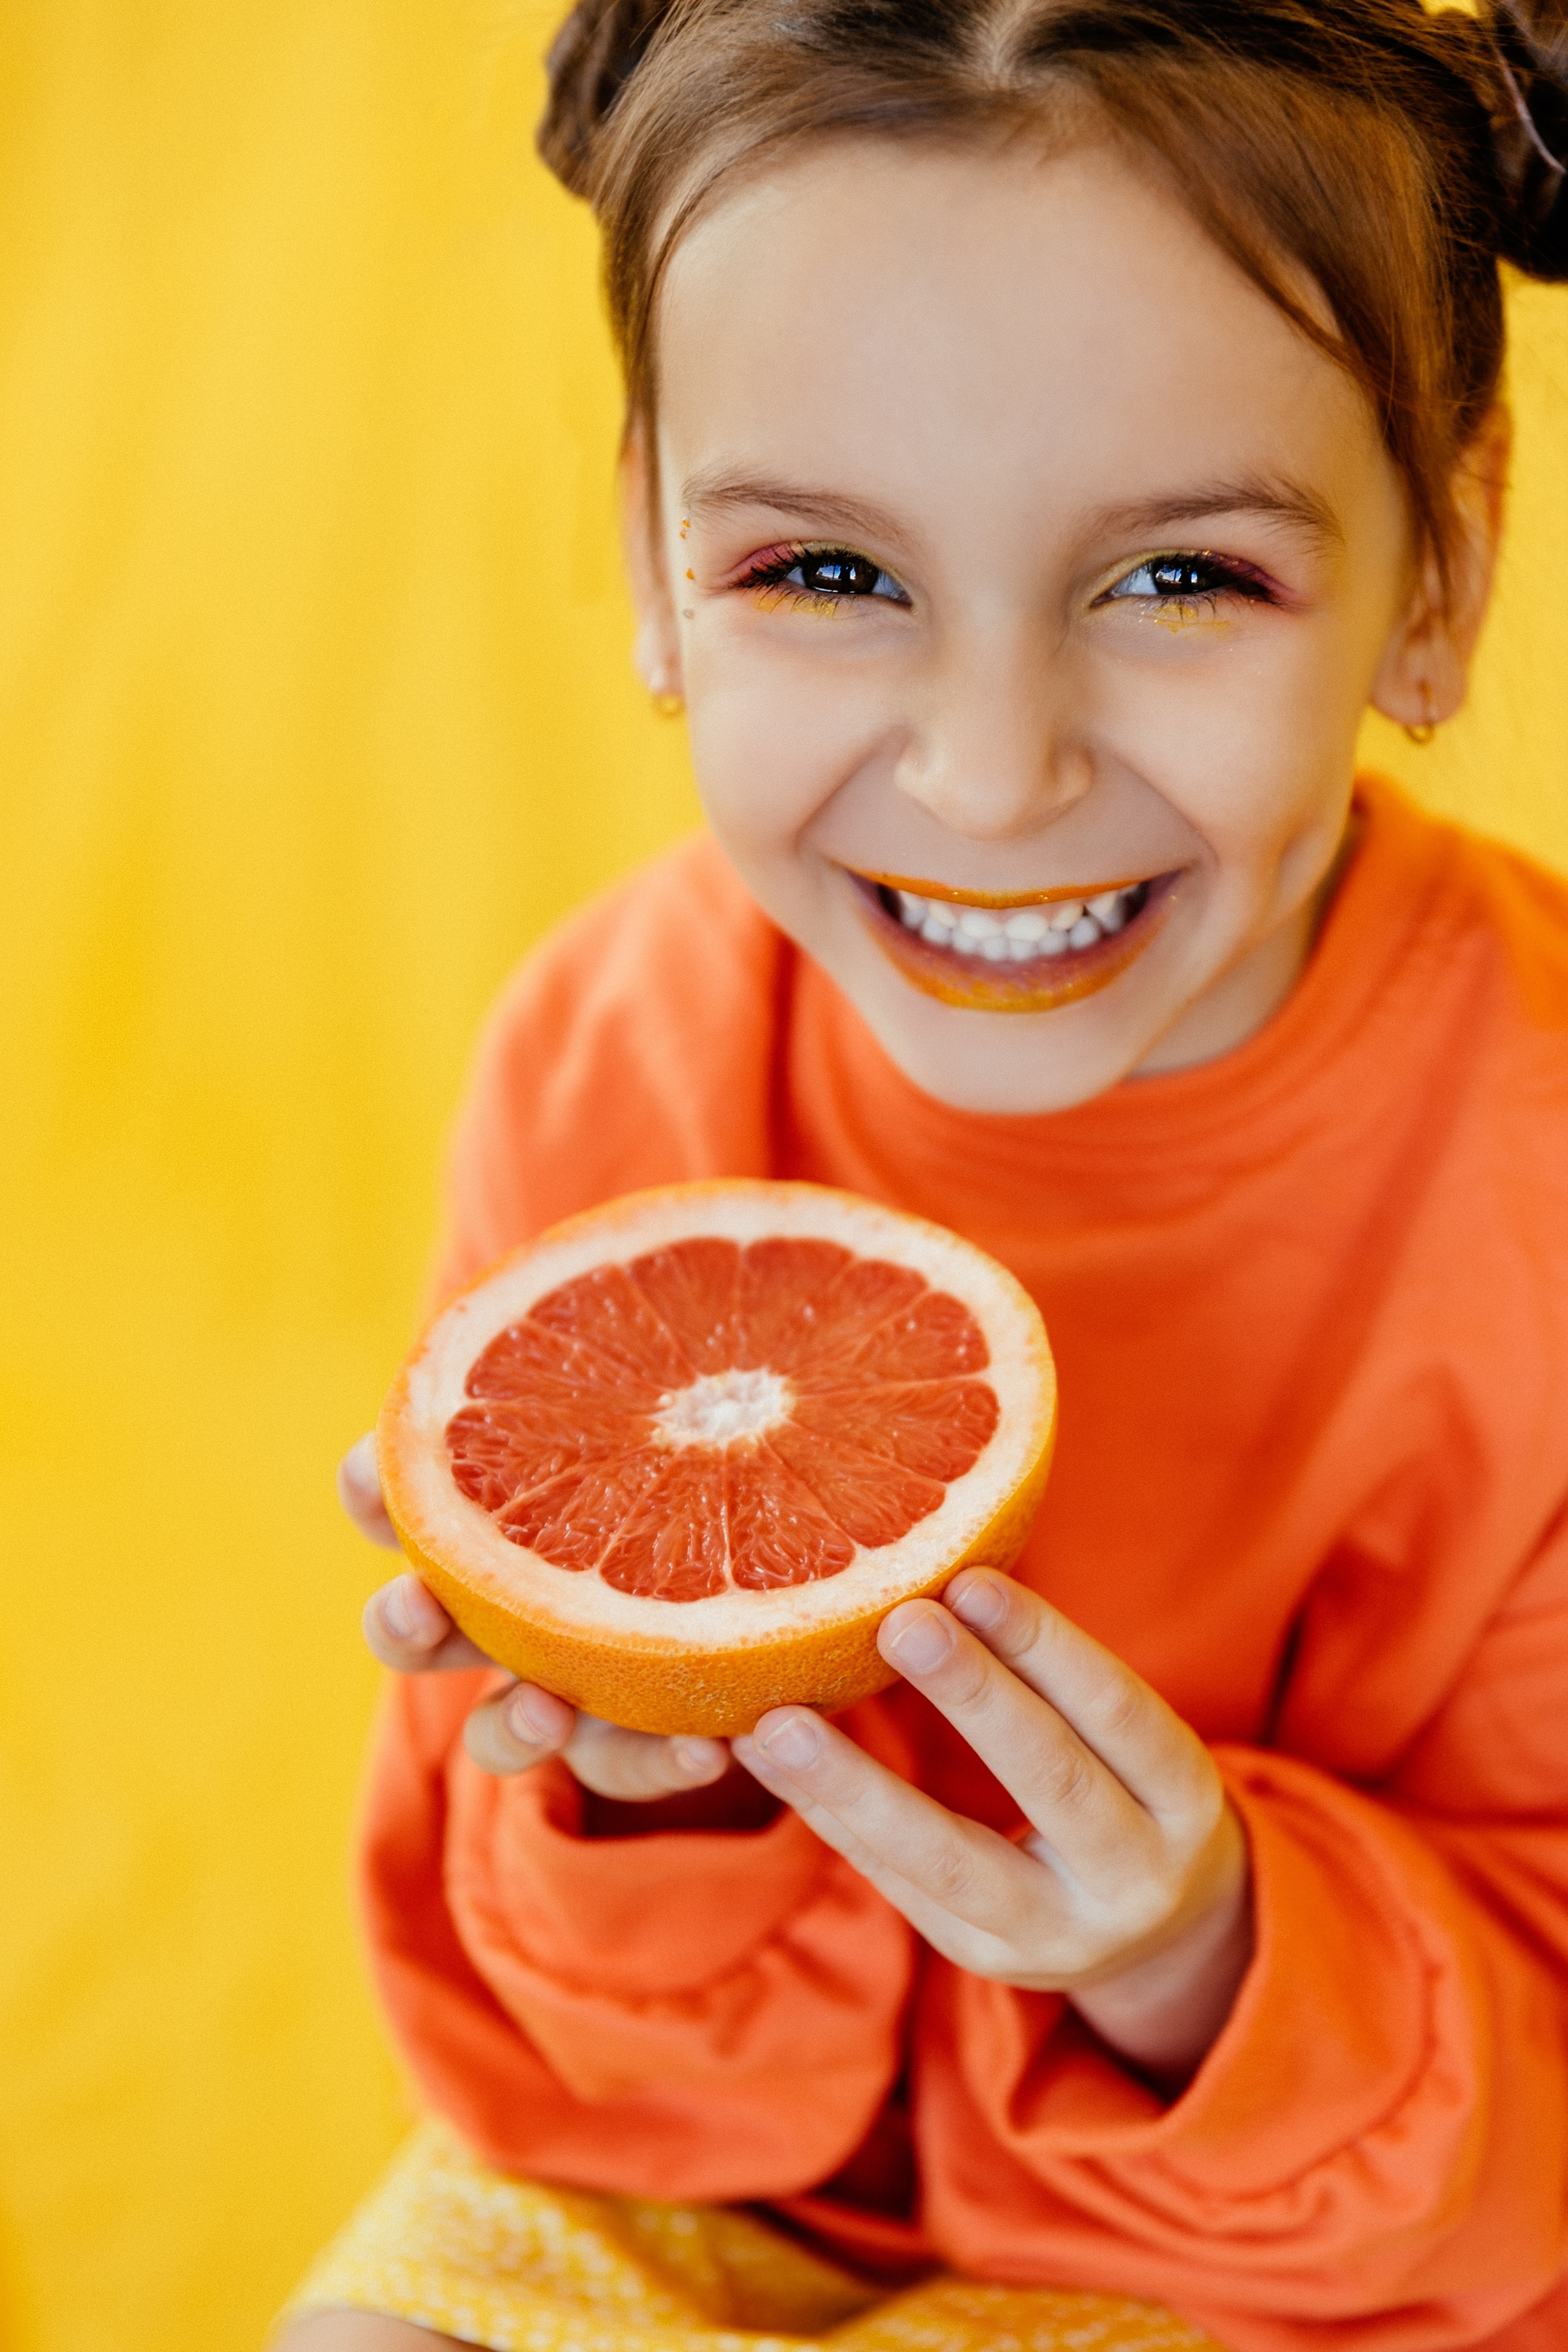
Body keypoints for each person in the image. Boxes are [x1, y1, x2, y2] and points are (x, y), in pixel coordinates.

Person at [276, 0, 1568, 2345]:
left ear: (1443, 576)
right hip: (733, 2194)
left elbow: (1528, 2161)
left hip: (1304, 2265)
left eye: (1180, 581)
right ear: (654, 558)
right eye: (825, 572)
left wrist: (1195, 1950)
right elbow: (589, 2098)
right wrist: (650, 1802)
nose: (988, 777)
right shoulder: (612, 1056)